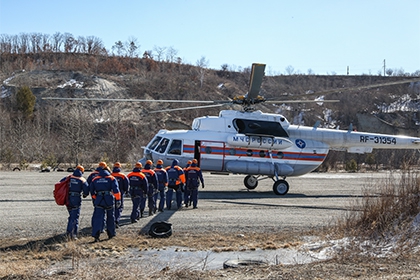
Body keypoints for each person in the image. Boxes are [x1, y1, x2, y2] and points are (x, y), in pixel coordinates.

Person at [89, 162, 121, 242]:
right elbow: (116, 190)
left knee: (98, 218)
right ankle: (111, 234)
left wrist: (95, 198)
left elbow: (91, 191)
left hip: (99, 199)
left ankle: (96, 236)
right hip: (109, 199)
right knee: (110, 217)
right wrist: (118, 200)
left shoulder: (95, 179)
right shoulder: (111, 178)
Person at [61, 165, 89, 240]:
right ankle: (72, 234)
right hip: (76, 199)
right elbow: (86, 191)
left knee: (71, 215)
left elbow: (60, 184)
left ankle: (68, 232)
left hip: (67, 199)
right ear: (82, 171)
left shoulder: (68, 177)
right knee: (75, 217)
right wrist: (84, 195)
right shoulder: (82, 179)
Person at [111, 162, 129, 228]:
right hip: (120, 193)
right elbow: (126, 184)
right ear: (120, 167)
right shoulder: (123, 176)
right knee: (119, 207)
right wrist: (126, 191)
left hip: (111, 193)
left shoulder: (110, 175)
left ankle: (111, 221)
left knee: (111, 207)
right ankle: (116, 220)